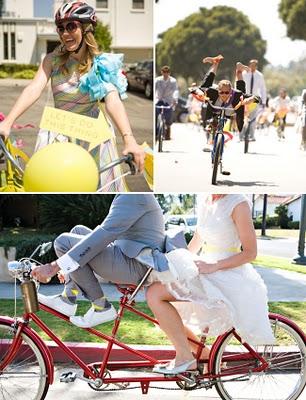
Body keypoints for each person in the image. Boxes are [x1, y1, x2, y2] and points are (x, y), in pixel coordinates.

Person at [0, 1, 144, 191]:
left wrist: (129, 139)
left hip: (92, 134)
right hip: (59, 132)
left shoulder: (100, 63)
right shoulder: (52, 60)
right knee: (51, 186)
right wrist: (8, 122)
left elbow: (113, 99)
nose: (65, 33)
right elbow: (33, 89)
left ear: (85, 29)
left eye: (71, 26)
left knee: (97, 188)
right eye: (60, 28)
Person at [147, 194, 274, 375]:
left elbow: (250, 252)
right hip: (204, 267)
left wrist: (214, 266)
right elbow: (196, 243)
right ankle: (204, 355)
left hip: (227, 273)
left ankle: (185, 357)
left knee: (155, 295)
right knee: (159, 300)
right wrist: (175, 265)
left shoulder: (238, 203)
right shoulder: (205, 200)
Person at [32, 194, 167, 328]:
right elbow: (103, 234)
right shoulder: (132, 194)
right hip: (130, 257)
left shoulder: (134, 195)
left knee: (64, 242)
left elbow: (105, 233)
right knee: (77, 231)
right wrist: (69, 269)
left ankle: (101, 307)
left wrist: (54, 266)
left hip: (137, 266)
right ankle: (68, 299)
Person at [242, 59, 267, 141]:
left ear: (256, 66)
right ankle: (241, 135)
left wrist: (263, 101)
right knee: (243, 116)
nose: (252, 67)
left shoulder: (260, 75)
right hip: (245, 97)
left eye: (254, 65)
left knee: (253, 118)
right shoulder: (244, 74)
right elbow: (239, 85)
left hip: (255, 98)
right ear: (249, 65)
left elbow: (263, 89)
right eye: (251, 65)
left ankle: (252, 136)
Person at [155, 65, 179, 140]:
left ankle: (167, 132)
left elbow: (175, 90)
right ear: (162, 72)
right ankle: (156, 132)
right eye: (164, 72)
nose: (165, 74)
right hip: (159, 100)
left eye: (167, 72)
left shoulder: (173, 81)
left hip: (168, 101)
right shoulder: (157, 80)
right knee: (156, 114)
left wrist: (175, 99)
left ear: (169, 73)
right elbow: (154, 88)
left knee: (169, 117)